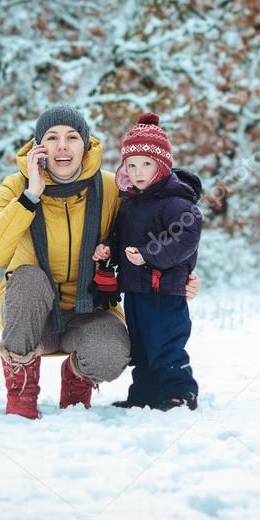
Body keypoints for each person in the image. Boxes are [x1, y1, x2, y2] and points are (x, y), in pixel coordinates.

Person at [0, 105, 199, 419]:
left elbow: (148, 230)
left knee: (112, 353)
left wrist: (179, 274)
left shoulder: (109, 187)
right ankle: (21, 396)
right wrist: (31, 196)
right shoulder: (16, 186)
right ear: (38, 147)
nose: (62, 146)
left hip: (90, 309)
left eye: (72, 137)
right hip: (32, 317)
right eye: (51, 138)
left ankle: (77, 379)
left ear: (85, 144)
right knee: (27, 279)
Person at [93, 113, 202, 411]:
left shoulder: (177, 202)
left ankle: (180, 391)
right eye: (131, 165)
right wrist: (108, 250)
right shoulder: (131, 202)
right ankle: (144, 392)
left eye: (146, 164)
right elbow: (121, 237)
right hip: (136, 290)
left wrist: (149, 254)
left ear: (162, 165)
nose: (138, 172)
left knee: (166, 342)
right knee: (140, 345)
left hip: (164, 290)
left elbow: (184, 239)